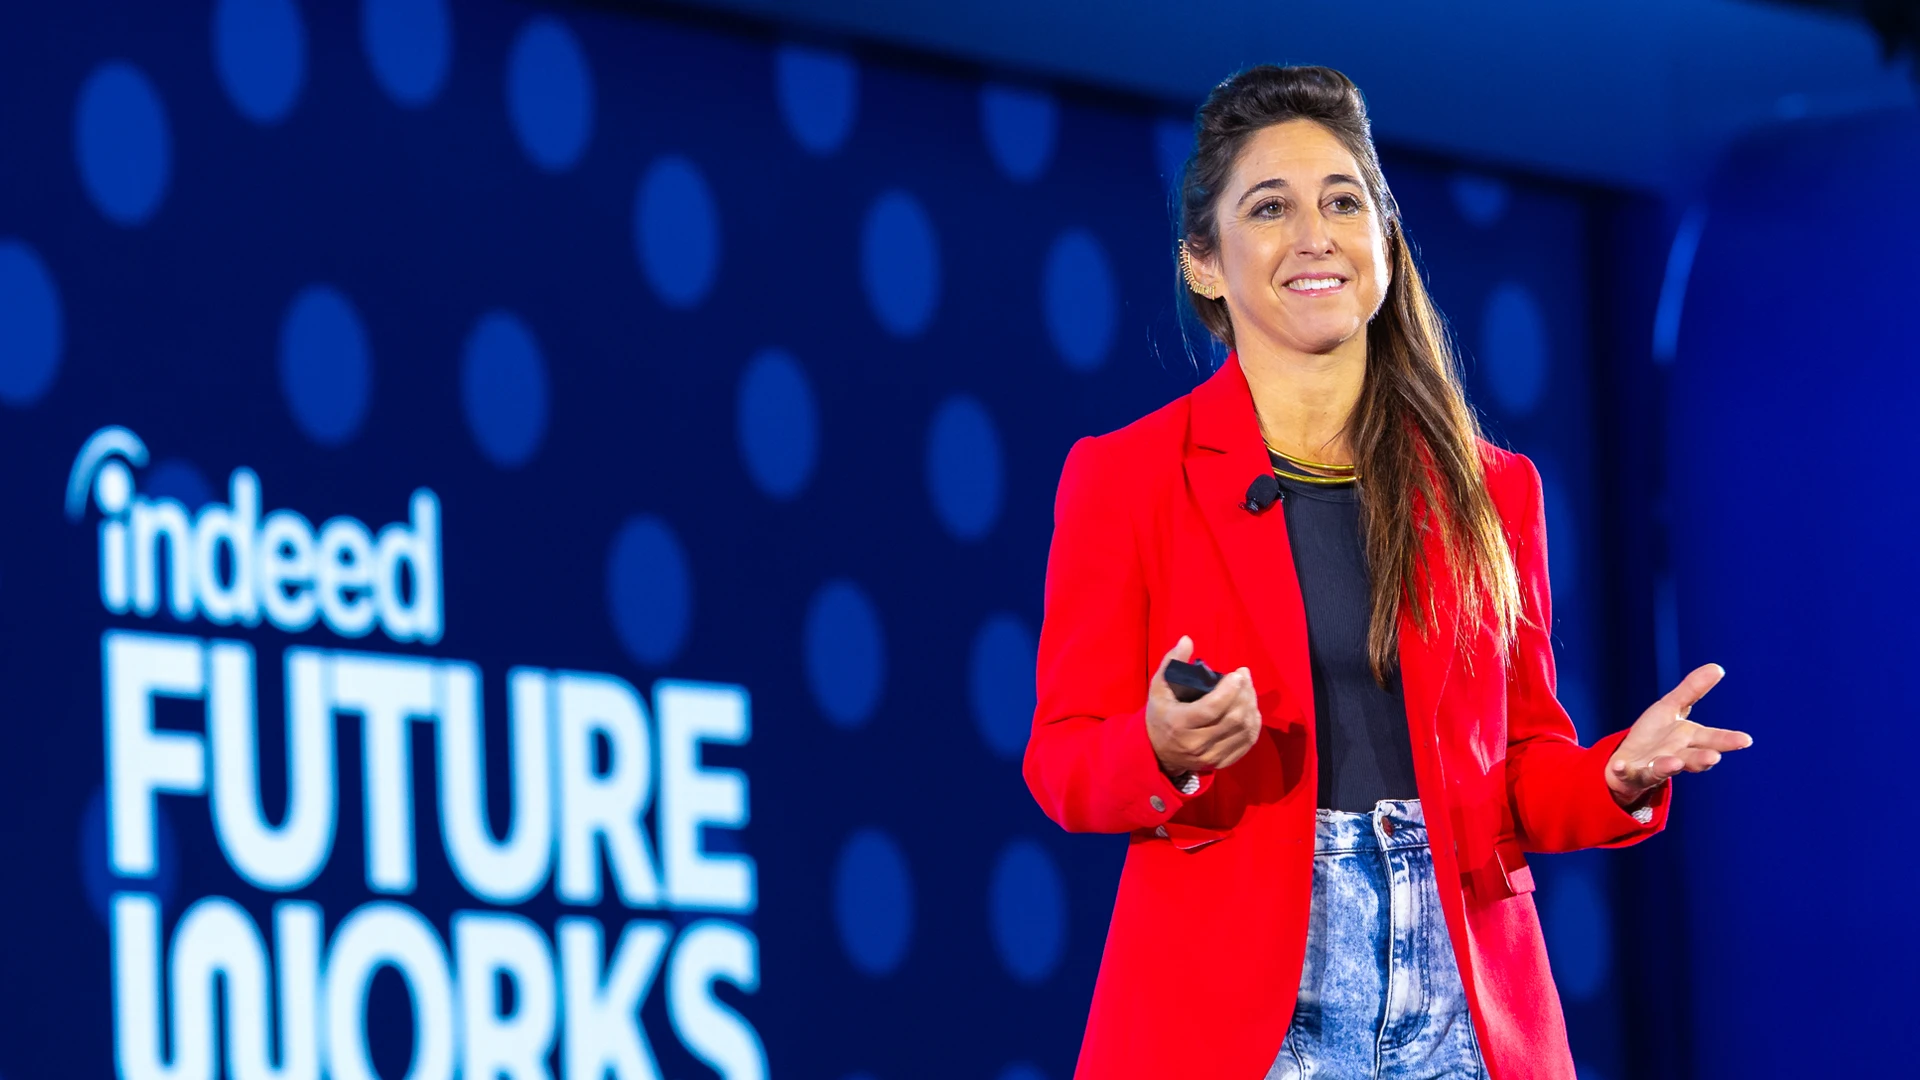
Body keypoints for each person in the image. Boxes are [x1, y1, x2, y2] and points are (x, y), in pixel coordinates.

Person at [1021, 65, 1751, 1080]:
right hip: (1241, 1007)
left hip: (1462, 995)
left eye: (1343, 201)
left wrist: (1615, 773)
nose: (1315, 233)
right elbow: (1061, 763)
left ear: (1386, 237)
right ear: (1203, 261)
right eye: (1269, 207)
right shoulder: (1128, 477)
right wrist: (1161, 745)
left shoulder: (1495, 491)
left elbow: (1524, 775)